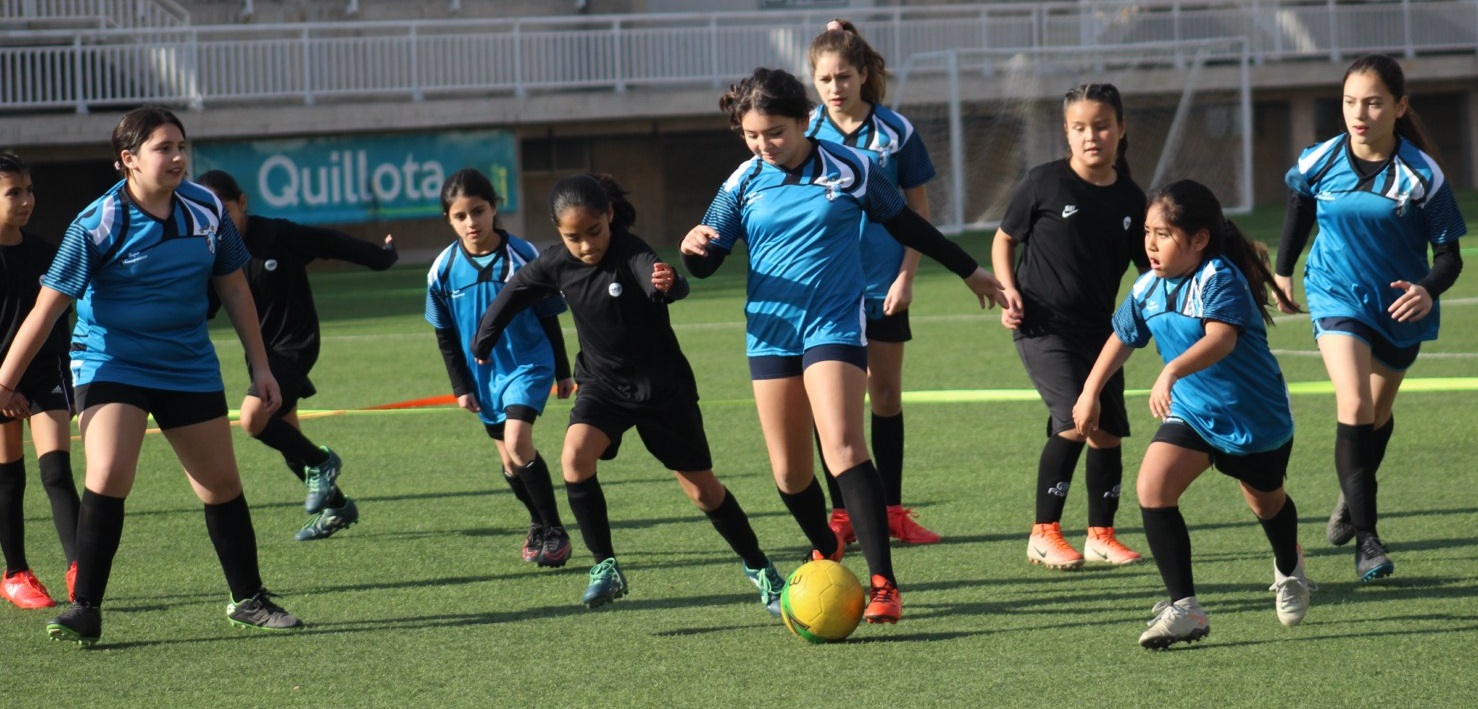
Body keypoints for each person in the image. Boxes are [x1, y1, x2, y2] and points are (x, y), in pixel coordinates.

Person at [680, 67, 1005, 625]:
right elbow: (707, 260)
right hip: (770, 332)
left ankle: (884, 584)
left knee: (845, 448)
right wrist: (692, 248)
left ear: (805, 121)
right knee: (789, 475)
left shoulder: (852, 167)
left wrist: (969, 269)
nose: (765, 145)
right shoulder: (743, 180)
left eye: (775, 132)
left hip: (834, 324)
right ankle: (826, 547)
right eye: (753, 135)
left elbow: (907, 224)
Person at [0, 106, 302, 645]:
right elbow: (47, 309)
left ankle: (248, 599)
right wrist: (4, 381)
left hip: (186, 362)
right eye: (164, 148)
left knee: (221, 485)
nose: (178, 157)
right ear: (129, 160)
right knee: (110, 470)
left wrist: (260, 367)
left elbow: (234, 286)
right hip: (110, 362)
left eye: (181, 145)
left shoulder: (207, 209)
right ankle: (85, 608)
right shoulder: (97, 223)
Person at [473, 173, 789, 615]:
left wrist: (669, 284)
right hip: (602, 386)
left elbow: (663, 280)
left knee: (703, 491)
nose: (585, 245)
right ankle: (604, 566)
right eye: (573, 237)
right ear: (558, 232)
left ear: (610, 216)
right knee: (574, 457)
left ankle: (761, 568)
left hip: (663, 391)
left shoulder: (631, 251)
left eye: (594, 232)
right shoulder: (556, 262)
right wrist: (484, 338)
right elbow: (514, 292)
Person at [1074, 179, 1313, 649]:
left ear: (1200, 239)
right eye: (1147, 232)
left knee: (1266, 502)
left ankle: (1290, 566)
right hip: (1193, 413)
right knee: (1153, 488)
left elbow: (1220, 339)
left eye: (1163, 234)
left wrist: (1171, 371)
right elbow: (1122, 335)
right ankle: (1185, 608)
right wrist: (1090, 391)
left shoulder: (1219, 277)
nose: (1150, 243)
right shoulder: (1148, 285)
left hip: (1253, 416)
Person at [1275, 54, 1465, 583]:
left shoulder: (1422, 173)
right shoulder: (1319, 159)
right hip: (1336, 296)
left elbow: (1450, 257)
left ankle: (1351, 492)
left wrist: (1427, 291)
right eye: (1350, 102)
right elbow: (1299, 207)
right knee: (1354, 403)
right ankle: (1368, 540)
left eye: (1374, 102)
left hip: (1401, 307)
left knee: (1375, 417)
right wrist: (1284, 271)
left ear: (1399, 107)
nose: (1360, 113)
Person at [990, 83, 1148, 570]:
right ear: (1067, 132)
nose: (1091, 136)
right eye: (1079, 128)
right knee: (1075, 420)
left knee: (1108, 432)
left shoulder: (1130, 198)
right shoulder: (1044, 183)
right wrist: (1007, 288)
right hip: (1042, 327)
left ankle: (1101, 534)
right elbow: (1003, 239)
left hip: (1102, 333)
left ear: (1121, 129)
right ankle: (1044, 533)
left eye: (1101, 126)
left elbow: (1150, 267)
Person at [195, 169, 398, 542]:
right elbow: (204, 308)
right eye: (208, 213)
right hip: (261, 357)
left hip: (296, 345)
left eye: (223, 209)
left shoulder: (277, 235)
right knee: (287, 438)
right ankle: (337, 506)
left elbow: (332, 242)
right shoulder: (212, 253)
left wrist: (380, 258)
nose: (218, 221)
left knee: (253, 420)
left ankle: (324, 462)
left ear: (242, 203)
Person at [805, 19, 940, 545]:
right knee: (832, 405)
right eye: (824, 79)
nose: (835, 88)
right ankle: (842, 519)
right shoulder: (805, 132)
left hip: (885, 287)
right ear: (813, 83)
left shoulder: (896, 132)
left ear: (863, 74)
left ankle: (892, 512)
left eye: (843, 76)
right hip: (828, 292)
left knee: (884, 396)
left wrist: (907, 275)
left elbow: (919, 214)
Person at [427, 168, 574, 567]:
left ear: (494, 208)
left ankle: (556, 530)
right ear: (449, 220)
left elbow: (548, 316)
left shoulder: (524, 255)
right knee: (509, 461)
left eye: (478, 211)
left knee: (517, 442)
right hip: (483, 378)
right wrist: (461, 385)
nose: (471, 222)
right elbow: (444, 334)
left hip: (528, 364)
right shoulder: (441, 269)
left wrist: (563, 370)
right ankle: (538, 523)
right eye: (460, 216)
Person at [0, 153, 80, 609]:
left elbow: (55, 320)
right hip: (0, 383)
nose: (26, 200)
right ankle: (15, 573)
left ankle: (79, 567)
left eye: (29, 190)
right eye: (14, 192)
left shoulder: (45, 252)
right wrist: (6, 388)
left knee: (56, 471)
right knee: (9, 479)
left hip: (44, 373)